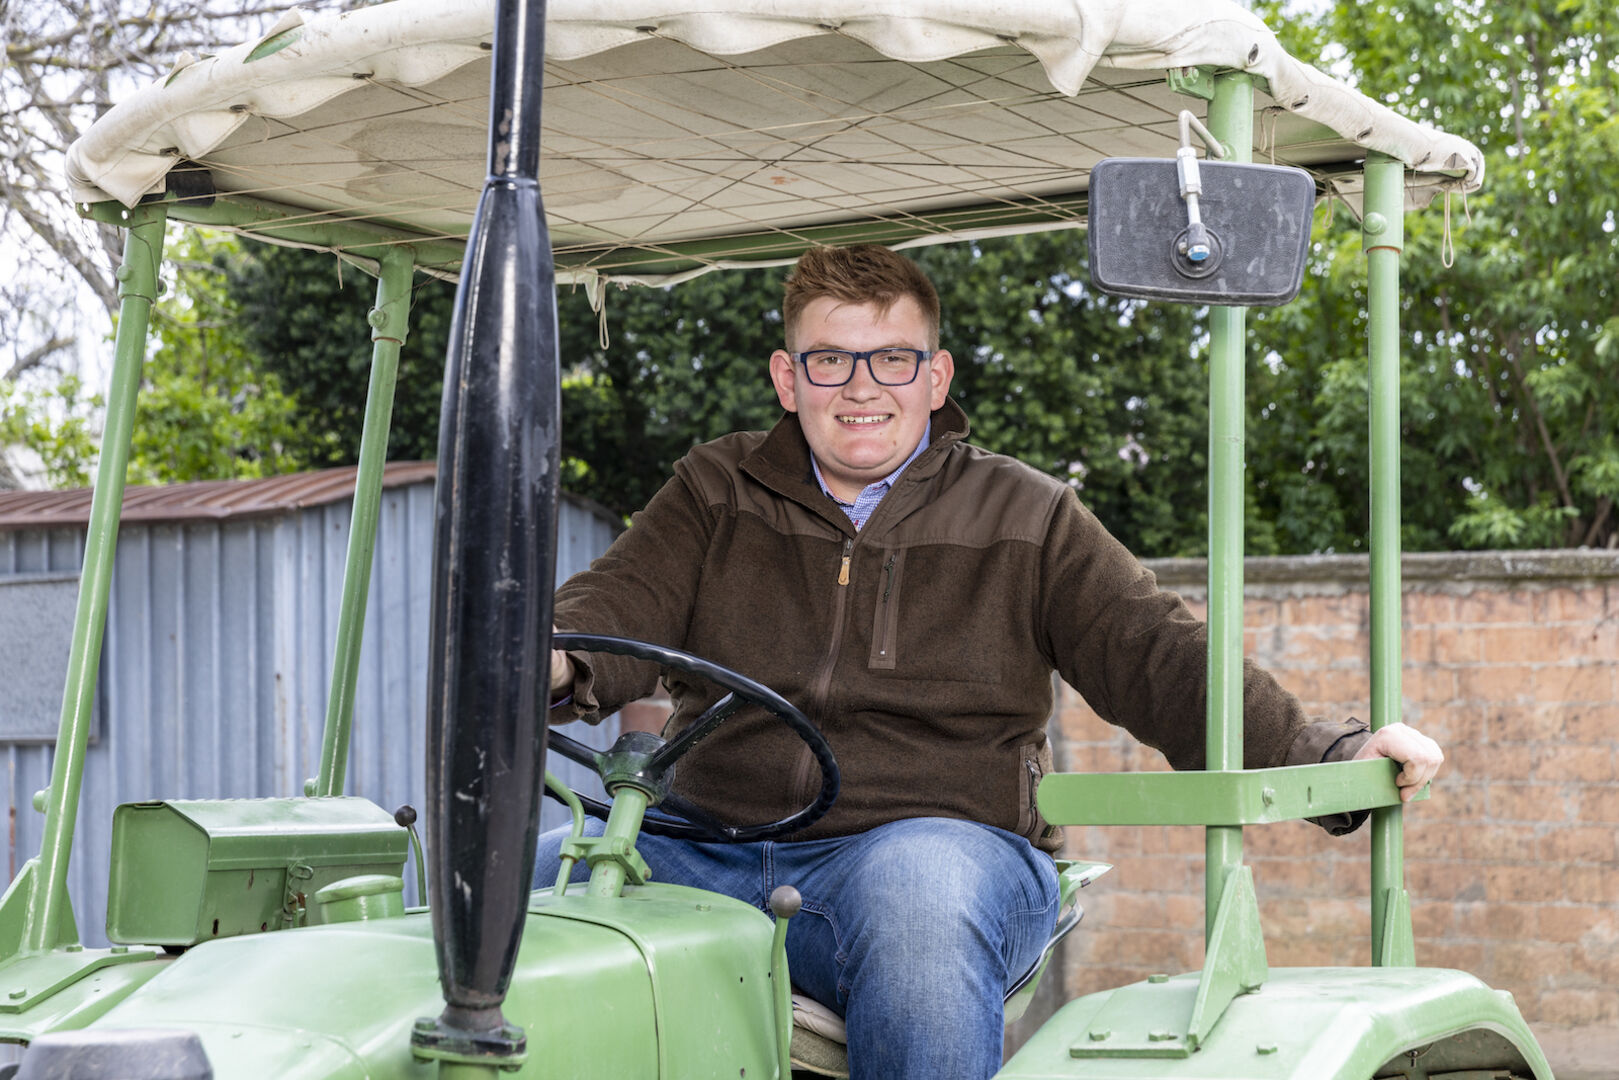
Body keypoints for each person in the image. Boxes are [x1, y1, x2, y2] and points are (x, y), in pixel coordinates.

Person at [539, 244, 1442, 1079]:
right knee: (503, 882)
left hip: (931, 848)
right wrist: (546, 660)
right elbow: (614, 607)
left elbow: (1160, 656)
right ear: (788, 377)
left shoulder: (1025, 514)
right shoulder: (715, 490)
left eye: (892, 359)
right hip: (703, 847)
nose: (861, 387)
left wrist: (1326, 750)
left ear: (935, 377)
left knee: (918, 898)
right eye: (830, 360)